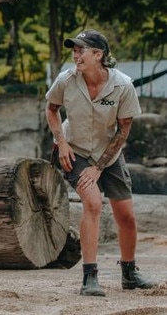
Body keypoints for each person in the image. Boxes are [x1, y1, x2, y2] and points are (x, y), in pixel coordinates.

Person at [45, 29, 155, 296]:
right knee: (93, 203)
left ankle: (129, 273)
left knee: (126, 215)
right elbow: (51, 109)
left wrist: (99, 168)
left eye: (81, 50)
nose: (76, 54)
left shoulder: (123, 86)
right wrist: (61, 142)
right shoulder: (66, 80)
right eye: (74, 49)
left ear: (99, 55)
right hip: (76, 150)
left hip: (109, 153)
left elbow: (123, 131)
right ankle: (89, 277)